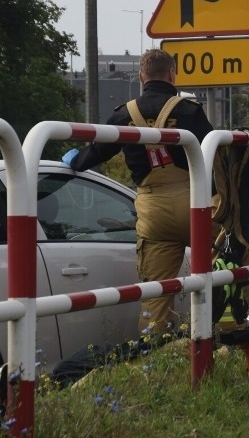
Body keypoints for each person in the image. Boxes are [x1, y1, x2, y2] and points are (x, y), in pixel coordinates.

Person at [63, 49, 214, 336]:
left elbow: (98, 151)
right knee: (223, 271)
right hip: (197, 205)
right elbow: (215, 155)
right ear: (172, 74)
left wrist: (75, 161)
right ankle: (223, 336)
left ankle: (156, 352)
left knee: (156, 294)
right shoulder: (189, 111)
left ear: (141, 77)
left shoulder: (123, 114)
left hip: (153, 211)